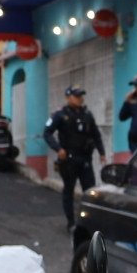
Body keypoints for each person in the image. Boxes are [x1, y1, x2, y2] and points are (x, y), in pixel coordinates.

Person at [45, 85, 104, 227]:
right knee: (69, 190)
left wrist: (102, 153)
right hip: (69, 160)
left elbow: (96, 135)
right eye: (77, 96)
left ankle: (90, 221)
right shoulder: (60, 114)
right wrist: (58, 149)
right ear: (68, 97)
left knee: (89, 191)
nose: (80, 99)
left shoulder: (87, 114)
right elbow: (47, 133)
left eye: (81, 96)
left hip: (85, 159)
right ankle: (71, 222)